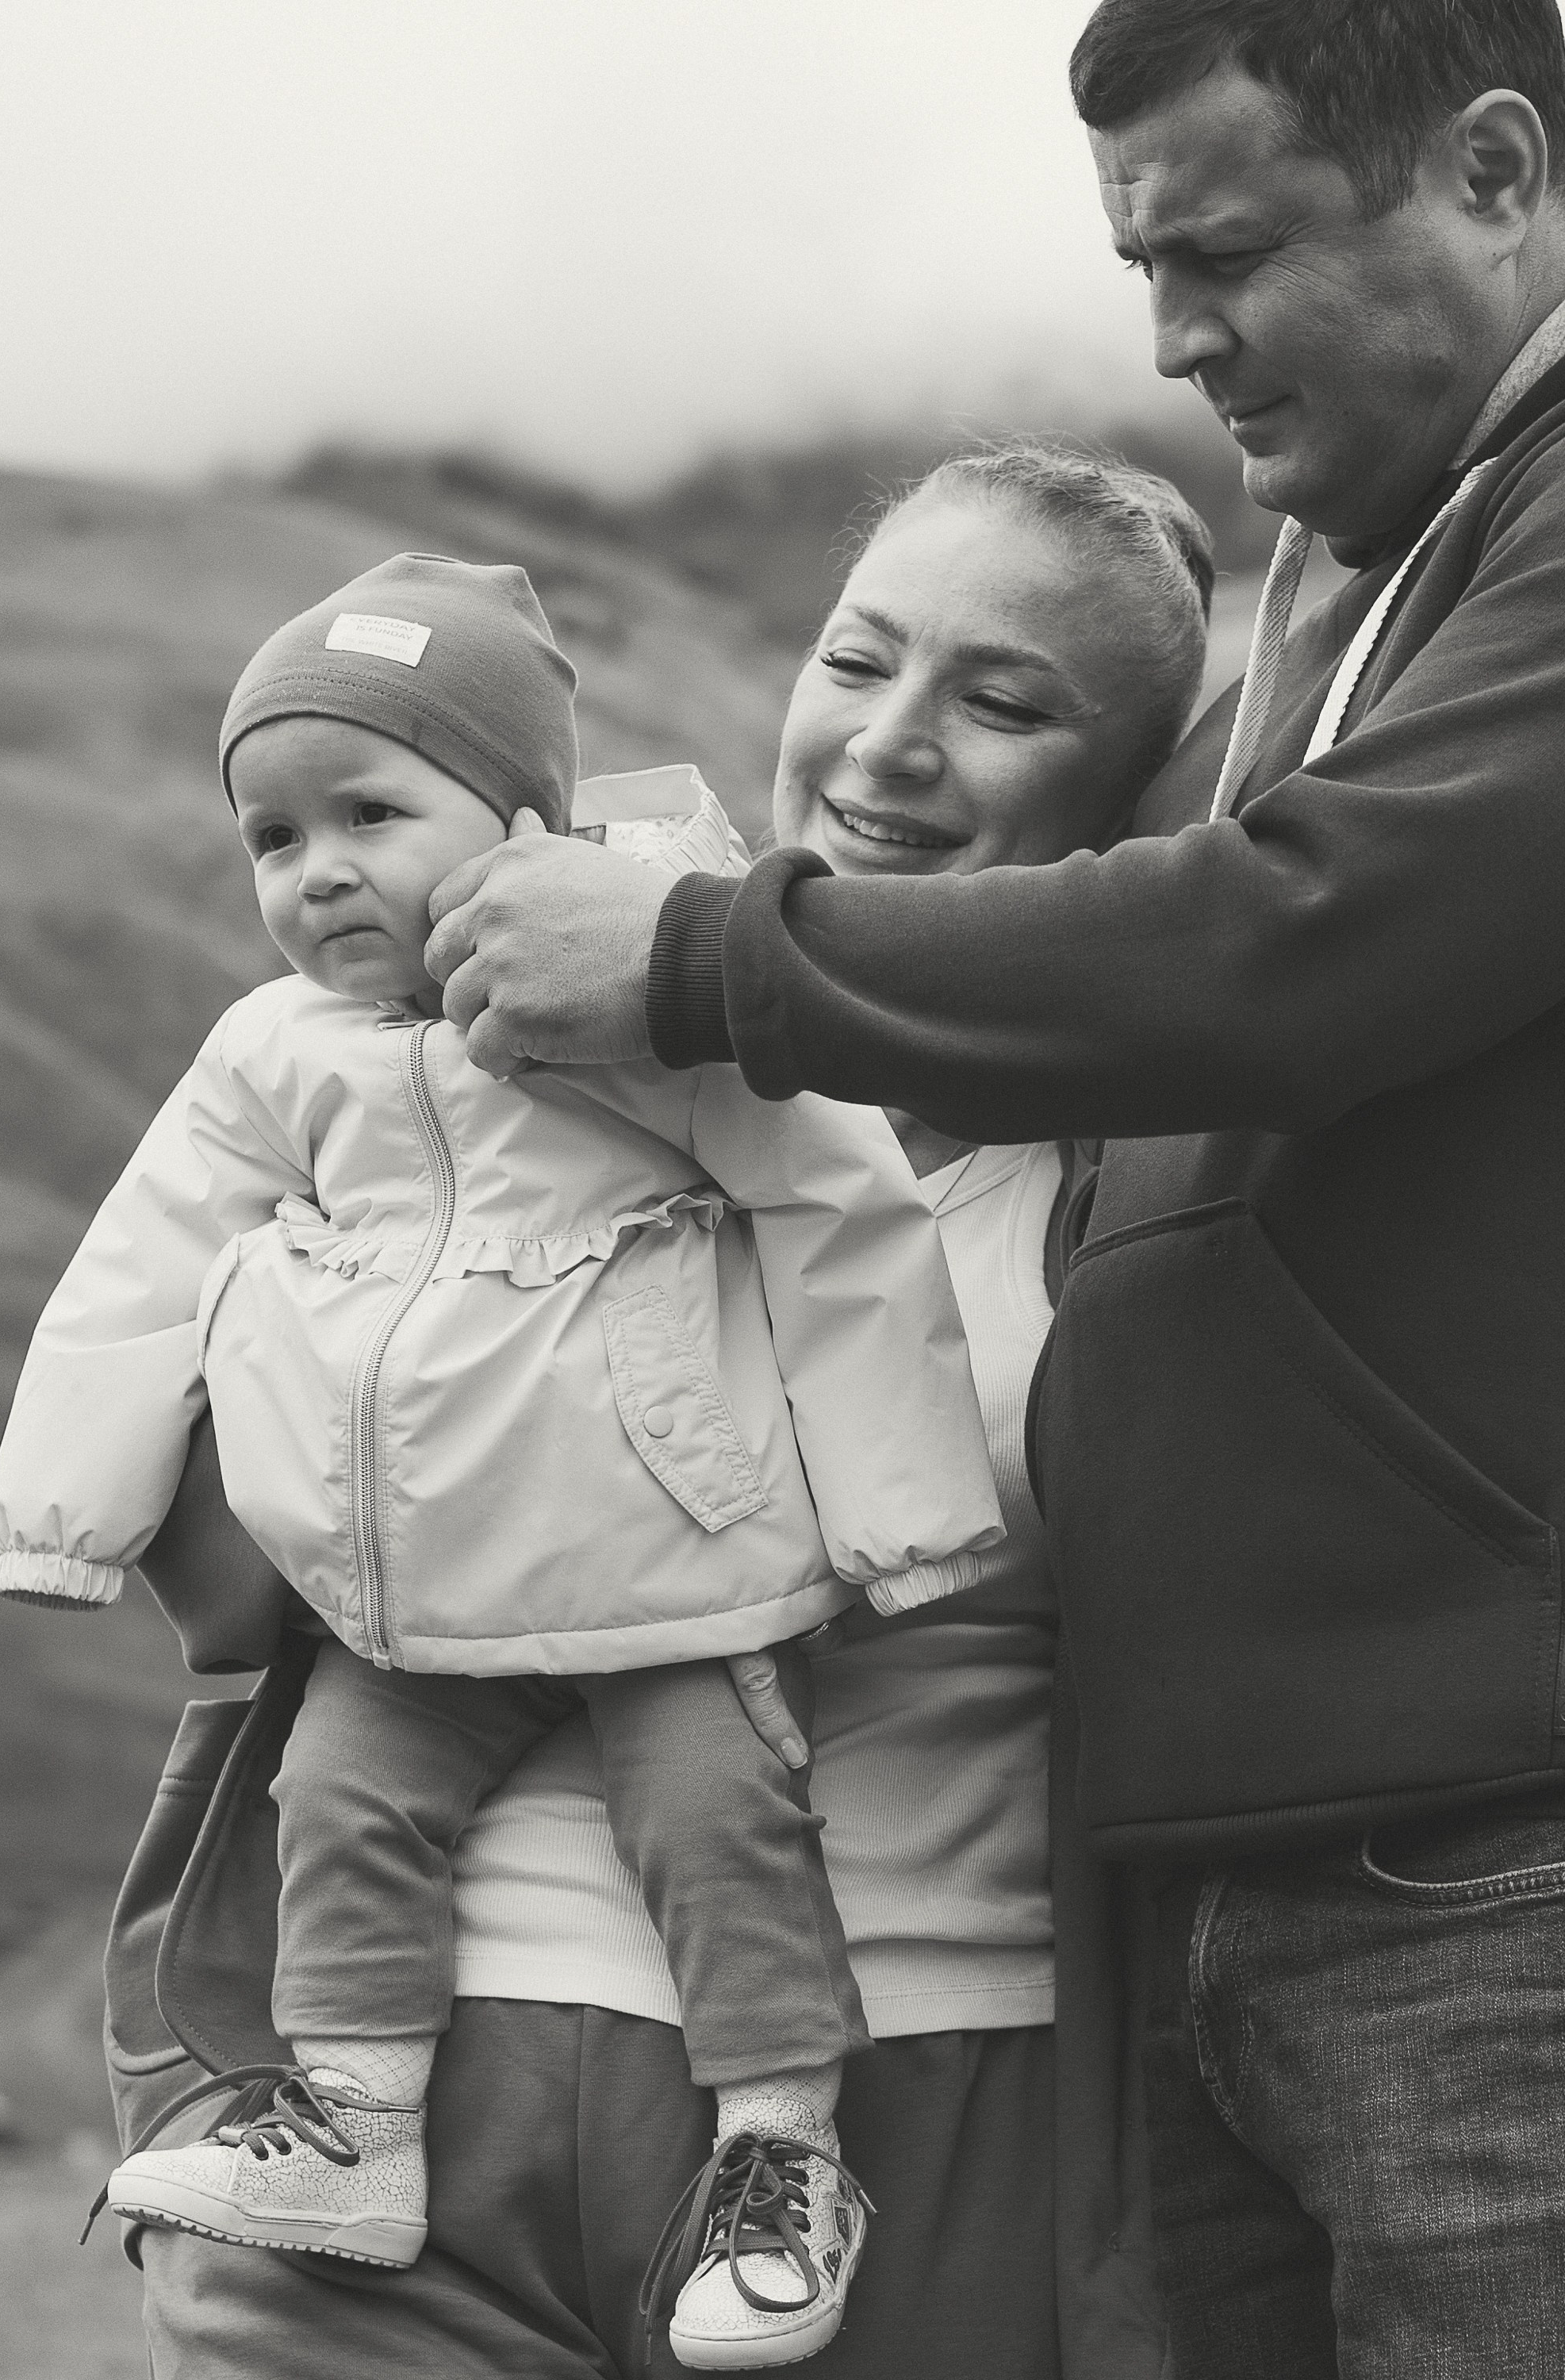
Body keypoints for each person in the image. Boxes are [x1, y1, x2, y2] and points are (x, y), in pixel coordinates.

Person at [417, 4, 1565, 2373]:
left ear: (1493, 169)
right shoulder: (1365, 565)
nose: (1177, 336)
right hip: (1238, 1865)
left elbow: (1301, 948)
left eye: (1231, 248)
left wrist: (711, 955)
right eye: (1143, 265)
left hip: (1479, 1870)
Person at [104, 442, 1214, 2380]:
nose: (885, 749)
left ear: (1130, 792)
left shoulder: (1146, 1176)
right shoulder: (471, 1058)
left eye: (1003, 700)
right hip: (417, 2079)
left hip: (921, 2103)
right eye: (858, 662)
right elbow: (220, 1580)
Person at [0, 552, 1009, 2370]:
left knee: (720, 1826)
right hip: (420, 1601)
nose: (315, 872)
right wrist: (64, 1516)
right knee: (340, 1801)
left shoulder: (635, 1001)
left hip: (671, 1574)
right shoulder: (271, 1054)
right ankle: (360, 2131)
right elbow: (138, 1268)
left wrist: (910, 1523)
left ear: (528, 818)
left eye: (369, 813)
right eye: (272, 837)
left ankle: (779, 2157)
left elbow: (838, 1219)